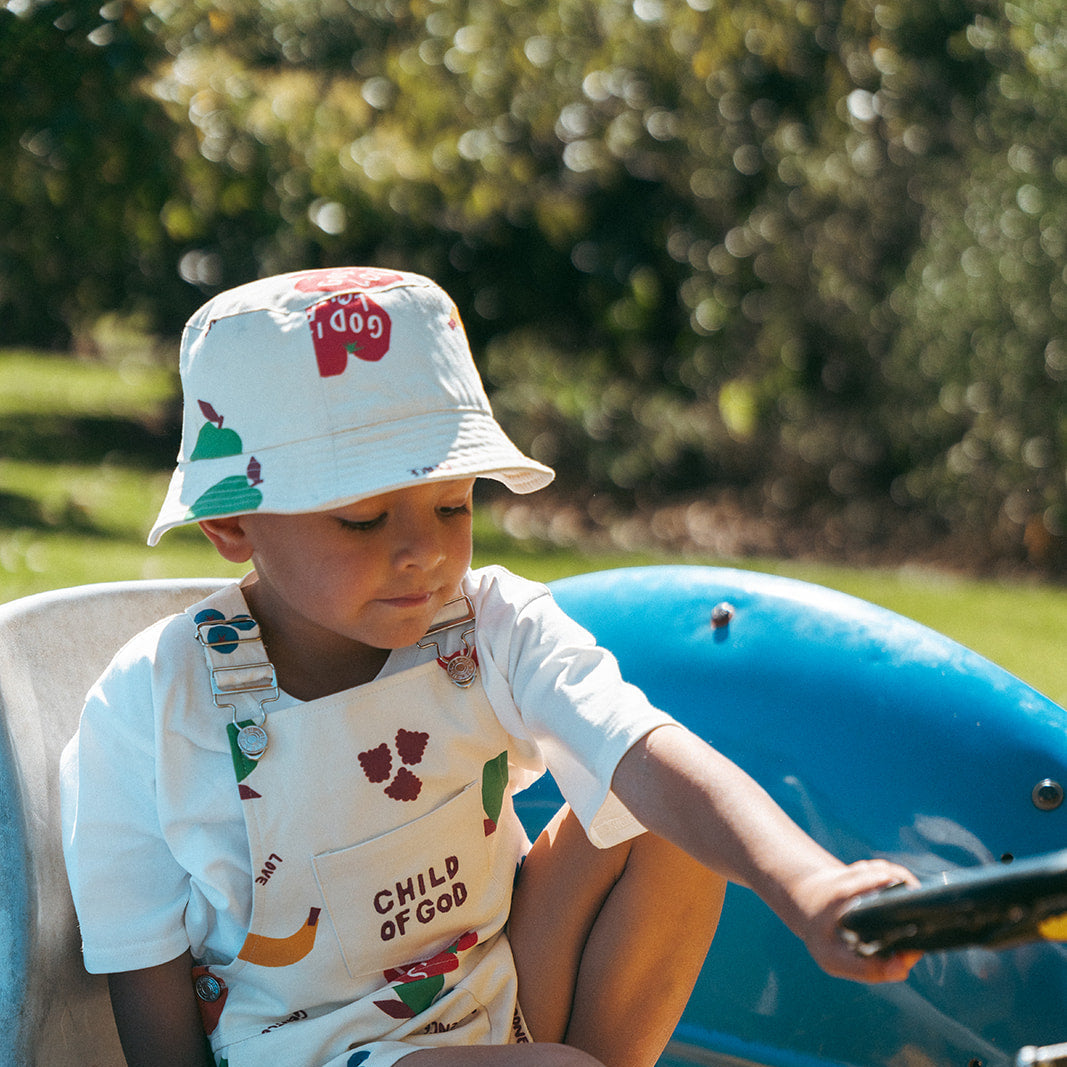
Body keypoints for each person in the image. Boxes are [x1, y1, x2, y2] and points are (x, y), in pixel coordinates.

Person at [61, 267, 919, 1067]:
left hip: (490, 994)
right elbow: (141, 960)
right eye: (363, 519)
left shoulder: (489, 624)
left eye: (450, 503)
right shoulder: (156, 703)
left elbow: (641, 748)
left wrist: (810, 884)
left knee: (660, 819)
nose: (422, 552)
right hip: (313, 1048)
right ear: (233, 526)